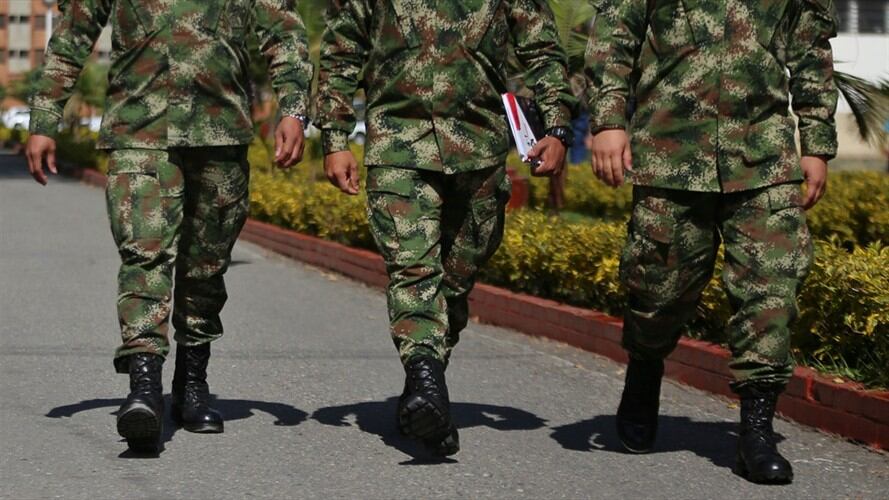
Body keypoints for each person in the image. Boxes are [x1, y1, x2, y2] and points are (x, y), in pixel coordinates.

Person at [26, 0, 313, 453]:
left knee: (206, 269)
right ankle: (143, 386)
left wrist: (294, 110)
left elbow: (286, 33)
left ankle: (191, 382)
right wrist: (44, 119)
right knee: (145, 255)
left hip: (220, 135)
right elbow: (73, 33)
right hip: (139, 133)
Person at [585, 0, 838, 484]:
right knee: (657, 288)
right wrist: (609, 120)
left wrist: (818, 141)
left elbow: (810, 47)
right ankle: (644, 369)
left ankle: (756, 430)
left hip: (763, 154)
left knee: (771, 290)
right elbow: (615, 34)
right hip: (671, 150)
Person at [317, 0, 575, 456]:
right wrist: (336, 140)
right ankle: (427, 384)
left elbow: (542, 48)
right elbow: (342, 51)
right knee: (414, 270)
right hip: (398, 144)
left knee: (454, 282)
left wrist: (555, 127)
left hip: (479, 146)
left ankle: (422, 386)